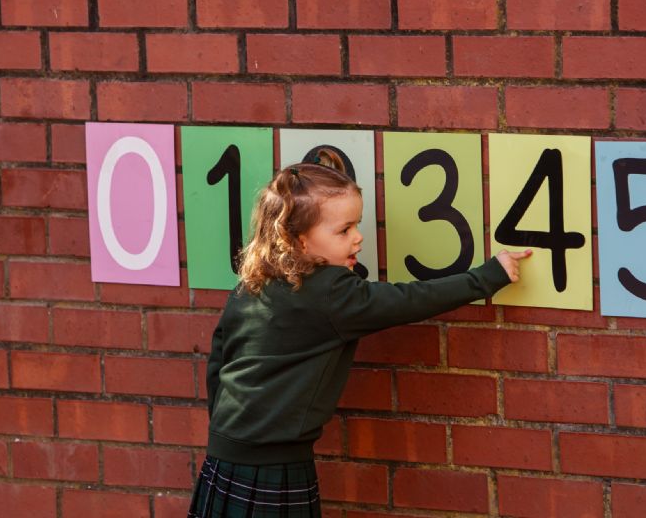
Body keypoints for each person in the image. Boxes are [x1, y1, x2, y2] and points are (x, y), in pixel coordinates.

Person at [188, 149, 531, 518]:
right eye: (344, 230)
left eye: (357, 225)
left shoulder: (254, 281)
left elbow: (219, 358)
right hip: (277, 465)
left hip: (223, 457)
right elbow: (409, 300)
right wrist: (487, 276)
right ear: (300, 240)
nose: (358, 239)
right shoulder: (332, 291)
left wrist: (228, 432)